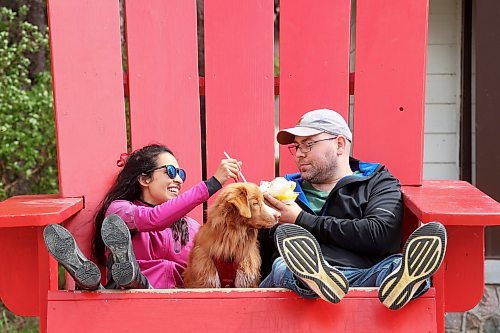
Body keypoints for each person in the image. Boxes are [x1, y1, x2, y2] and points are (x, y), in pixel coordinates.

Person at [259, 109, 447, 310]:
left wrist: (301, 219)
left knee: (395, 265)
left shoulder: (377, 182)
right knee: (284, 267)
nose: (299, 154)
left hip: (363, 272)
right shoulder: (281, 191)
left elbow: (380, 234)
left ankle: (333, 280)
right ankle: (321, 279)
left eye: (308, 144)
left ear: (339, 144)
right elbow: (259, 250)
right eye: (296, 146)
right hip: (294, 291)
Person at [43, 144, 242, 290]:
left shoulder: (190, 227)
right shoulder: (120, 212)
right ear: (144, 179)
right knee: (130, 277)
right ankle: (118, 272)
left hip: (178, 302)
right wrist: (212, 184)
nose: (179, 179)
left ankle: (90, 282)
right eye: (170, 172)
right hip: (130, 299)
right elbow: (153, 218)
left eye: (181, 173)